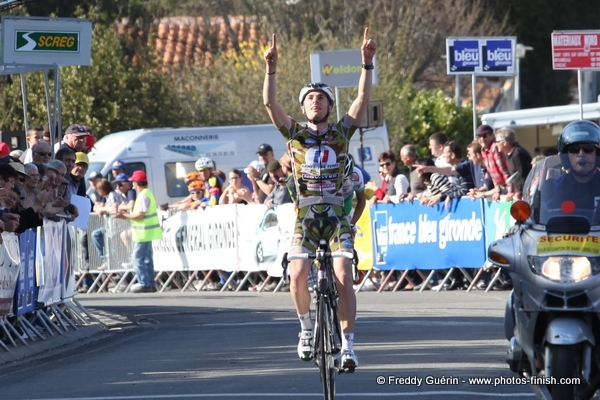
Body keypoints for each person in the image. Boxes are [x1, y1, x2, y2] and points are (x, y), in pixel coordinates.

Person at [262, 27, 376, 369]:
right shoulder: (294, 135)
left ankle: (349, 347)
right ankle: (306, 329)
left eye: (321, 98)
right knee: (297, 274)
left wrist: (366, 64)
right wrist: (271, 68)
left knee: (343, 276)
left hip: (337, 219)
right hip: (307, 217)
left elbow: (362, 101)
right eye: (310, 98)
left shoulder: (342, 133)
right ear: (303, 106)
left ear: (329, 105)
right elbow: (270, 103)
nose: (315, 101)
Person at [114, 170, 162, 293]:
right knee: (146, 259)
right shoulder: (147, 193)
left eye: (133, 182)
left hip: (143, 233)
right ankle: (150, 283)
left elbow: (140, 215)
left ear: (136, 182)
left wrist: (124, 216)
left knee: (138, 258)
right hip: (146, 232)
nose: (132, 184)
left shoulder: (143, 195)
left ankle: (144, 282)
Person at [549, 120, 600, 210]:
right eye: (574, 149)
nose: (581, 154)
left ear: (597, 153)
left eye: (588, 148)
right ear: (566, 156)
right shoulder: (554, 187)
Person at [494, 127, 532, 201]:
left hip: (526, 195)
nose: (496, 144)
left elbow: (524, 175)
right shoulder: (508, 154)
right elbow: (514, 176)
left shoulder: (518, 153)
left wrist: (519, 193)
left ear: (505, 142)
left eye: (497, 141)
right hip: (518, 194)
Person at [475, 124, 511, 201]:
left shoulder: (495, 147)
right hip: (501, 188)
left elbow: (505, 171)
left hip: (509, 187)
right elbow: (492, 174)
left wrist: (510, 191)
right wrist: (497, 190)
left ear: (492, 136)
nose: (481, 139)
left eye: (484, 136)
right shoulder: (483, 150)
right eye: (479, 137)